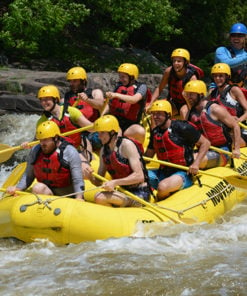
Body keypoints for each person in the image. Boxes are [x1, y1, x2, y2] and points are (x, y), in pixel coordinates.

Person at [145, 100, 210, 201]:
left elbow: (205, 143)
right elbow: (148, 156)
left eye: (159, 114)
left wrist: (196, 163)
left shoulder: (182, 127)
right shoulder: (155, 132)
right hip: (163, 172)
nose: (155, 117)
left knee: (162, 187)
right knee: (139, 177)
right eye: (153, 114)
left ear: (168, 115)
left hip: (183, 173)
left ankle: (160, 201)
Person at [7, 121, 85, 200]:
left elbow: (77, 180)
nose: (42, 143)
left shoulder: (69, 152)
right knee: (38, 188)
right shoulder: (36, 150)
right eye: (40, 140)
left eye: (45, 140)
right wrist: (18, 189)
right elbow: (28, 175)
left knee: (39, 188)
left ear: (56, 138)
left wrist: (79, 197)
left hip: (67, 194)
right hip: (48, 192)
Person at [89, 115, 150, 207]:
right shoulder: (103, 150)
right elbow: (98, 182)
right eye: (98, 133)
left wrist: (115, 182)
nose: (99, 136)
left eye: (102, 133)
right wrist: (90, 176)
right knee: (99, 196)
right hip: (122, 191)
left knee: (100, 197)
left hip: (139, 192)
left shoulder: (126, 145)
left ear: (112, 132)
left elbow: (139, 176)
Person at [37, 85, 94, 179]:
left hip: (75, 150)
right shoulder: (42, 121)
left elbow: (90, 127)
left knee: (86, 173)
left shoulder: (71, 112)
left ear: (55, 99)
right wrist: (27, 145)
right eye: (42, 100)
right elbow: (39, 141)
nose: (44, 103)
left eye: (47, 99)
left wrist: (99, 125)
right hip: (56, 153)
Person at [183, 80, 241, 167]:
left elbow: (235, 125)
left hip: (221, 151)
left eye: (191, 94)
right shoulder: (192, 113)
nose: (188, 97)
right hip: (202, 150)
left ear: (201, 95)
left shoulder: (215, 109)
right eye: (187, 95)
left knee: (192, 160)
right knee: (179, 158)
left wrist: (236, 149)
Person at [148, 48, 202, 119]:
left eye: (179, 61)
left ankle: (185, 128)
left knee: (183, 111)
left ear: (185, 62)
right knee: (158, 111)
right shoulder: (169, 72)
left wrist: (186, 97)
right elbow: (159, 88)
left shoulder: (192, 78)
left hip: (188, 104)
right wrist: (150, 103)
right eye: (174, 61)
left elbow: (194, 103)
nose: (176, 63)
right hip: (174, 102)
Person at [103, 63, 147, 144]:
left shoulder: (142, 87)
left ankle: (137, 151)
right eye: (120, 76)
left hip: (130, 125)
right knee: (117, 135)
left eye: (123, 77)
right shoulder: (118, 86)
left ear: (132, 77)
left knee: (140, 131)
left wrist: (116, 95)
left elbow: (134, 99)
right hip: (116, 122)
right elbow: (110, 104)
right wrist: (102, 116)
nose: (121, 79)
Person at [209, 63, 247, 145]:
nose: (217, 78)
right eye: (215, 76)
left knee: (221, 141)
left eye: (220, 76)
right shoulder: (213, 93)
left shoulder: (234, 90)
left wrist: (239, 120)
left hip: (240, 131)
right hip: (224, 131)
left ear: (227, 77)